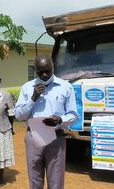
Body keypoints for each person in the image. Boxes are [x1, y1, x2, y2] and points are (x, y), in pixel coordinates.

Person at [15, 55, 78, 189]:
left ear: (53, 67)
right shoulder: (27, 87)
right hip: (34, 138)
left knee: (56, 183)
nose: (44, 74)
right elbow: (19, 115)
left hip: (56, 138)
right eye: (40, 71)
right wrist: (33, 98)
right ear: (35, 70)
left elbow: (73, 115)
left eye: (48, 71)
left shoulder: (65, 87)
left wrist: (60, 120)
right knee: (35, 182)